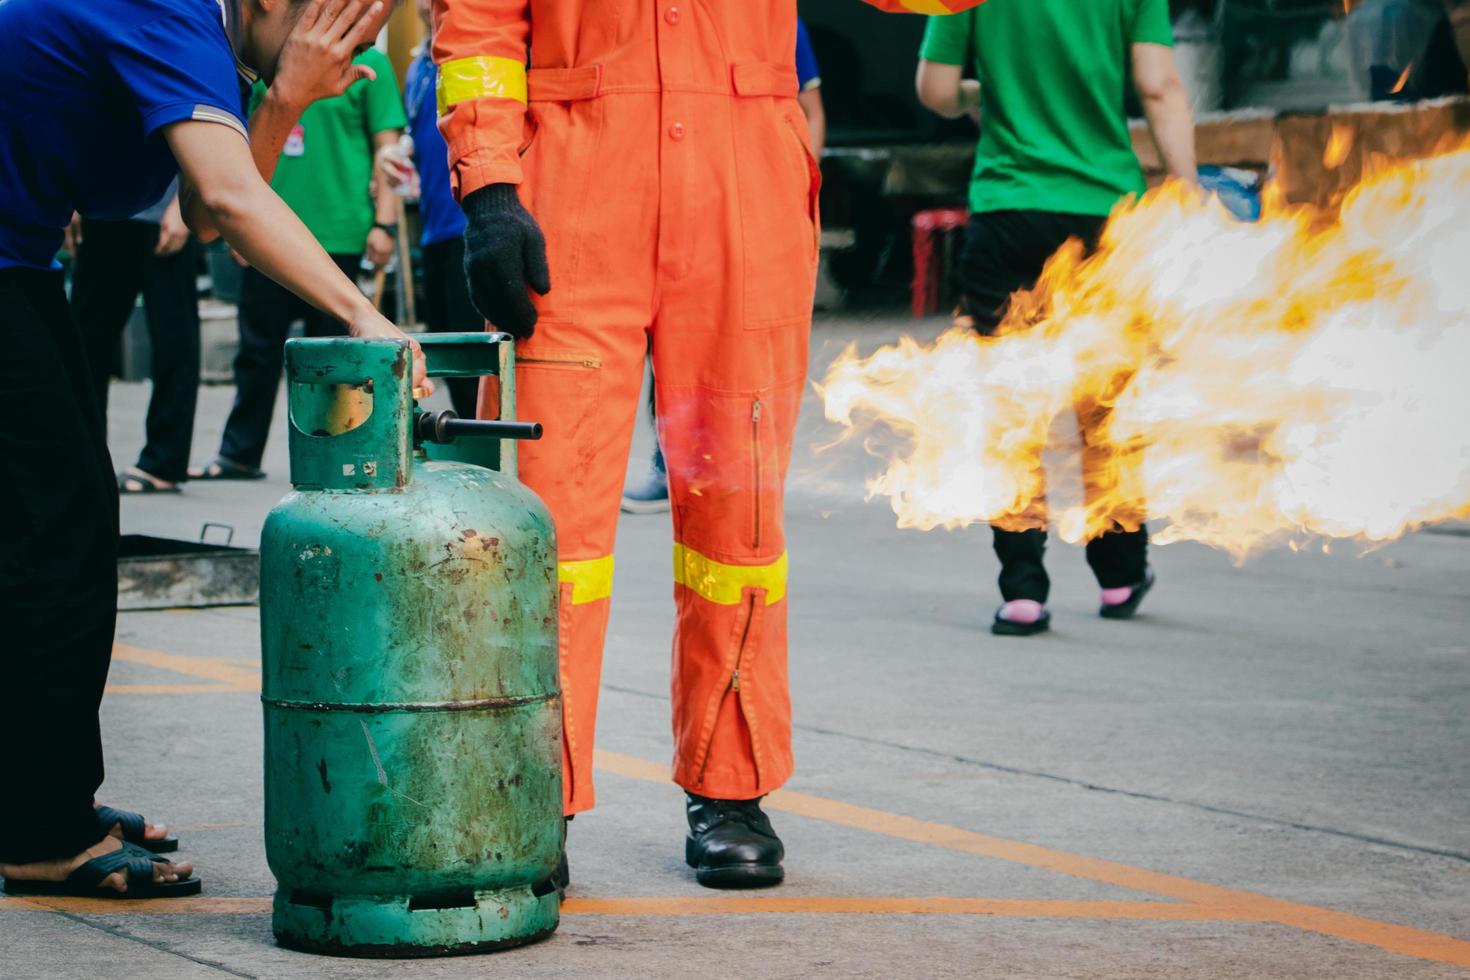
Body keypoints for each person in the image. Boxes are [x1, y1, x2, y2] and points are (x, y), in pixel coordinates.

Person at [432, 0, 984, 888]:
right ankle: (530, 794)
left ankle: (732, 785)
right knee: (546, 523)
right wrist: (491, 186)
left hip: (745, 193)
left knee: (740, 522)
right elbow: (477, 28)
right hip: (574, 194)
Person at [0, 0, 426, 900]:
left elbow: (197, 210)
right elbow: (229, 205)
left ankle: (36, 795)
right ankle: (38, 825)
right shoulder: (168, 7)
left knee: (61, 523)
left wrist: (289, 94)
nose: (349, 59)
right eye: (337, 32)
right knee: (57, 529)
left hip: (21, 259)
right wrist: (364, 313)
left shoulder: (209, 41)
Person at [915, 0, 1197, 636]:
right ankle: (1120, 574)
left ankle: (1022, 591)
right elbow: (1159, 85)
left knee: (1013, 413)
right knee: (1107, 407)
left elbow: (934, 90)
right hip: (1104, 217)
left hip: (1009, 211)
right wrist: (1188, 187)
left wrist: (981, 94)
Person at [619, 14, 829, 515]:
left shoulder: (782, 23)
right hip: (628, 210)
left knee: (717, 373)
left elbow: (811, 107)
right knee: (648, 360)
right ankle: (666, 461)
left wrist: (795, 178)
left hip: (739, 208)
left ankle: (672, 462)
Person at [193, 42, 407, 481]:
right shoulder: (265, 56)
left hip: (338, 229)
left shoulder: (370, 64)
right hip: (267, 231)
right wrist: (238, 227)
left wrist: (383, 224)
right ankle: (239, 454)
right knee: (255, 352)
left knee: (334, 360)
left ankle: (334, 456)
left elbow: (386, 149)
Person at [374, 0, 479, 418]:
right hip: (435, 227)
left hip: (470, 223)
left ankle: (491, 460)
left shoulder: (473, 52)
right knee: (449, 358)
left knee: (476, 362)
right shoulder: (419, 66)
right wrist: (397, 159)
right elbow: (420, 143)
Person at [69, 182, 202, 494]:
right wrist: (68, 198)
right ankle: (82, 457)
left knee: (174, 341)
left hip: (166, 213)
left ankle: (163, 463)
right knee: (83, 344)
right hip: (101, 213)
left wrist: (185, 207)